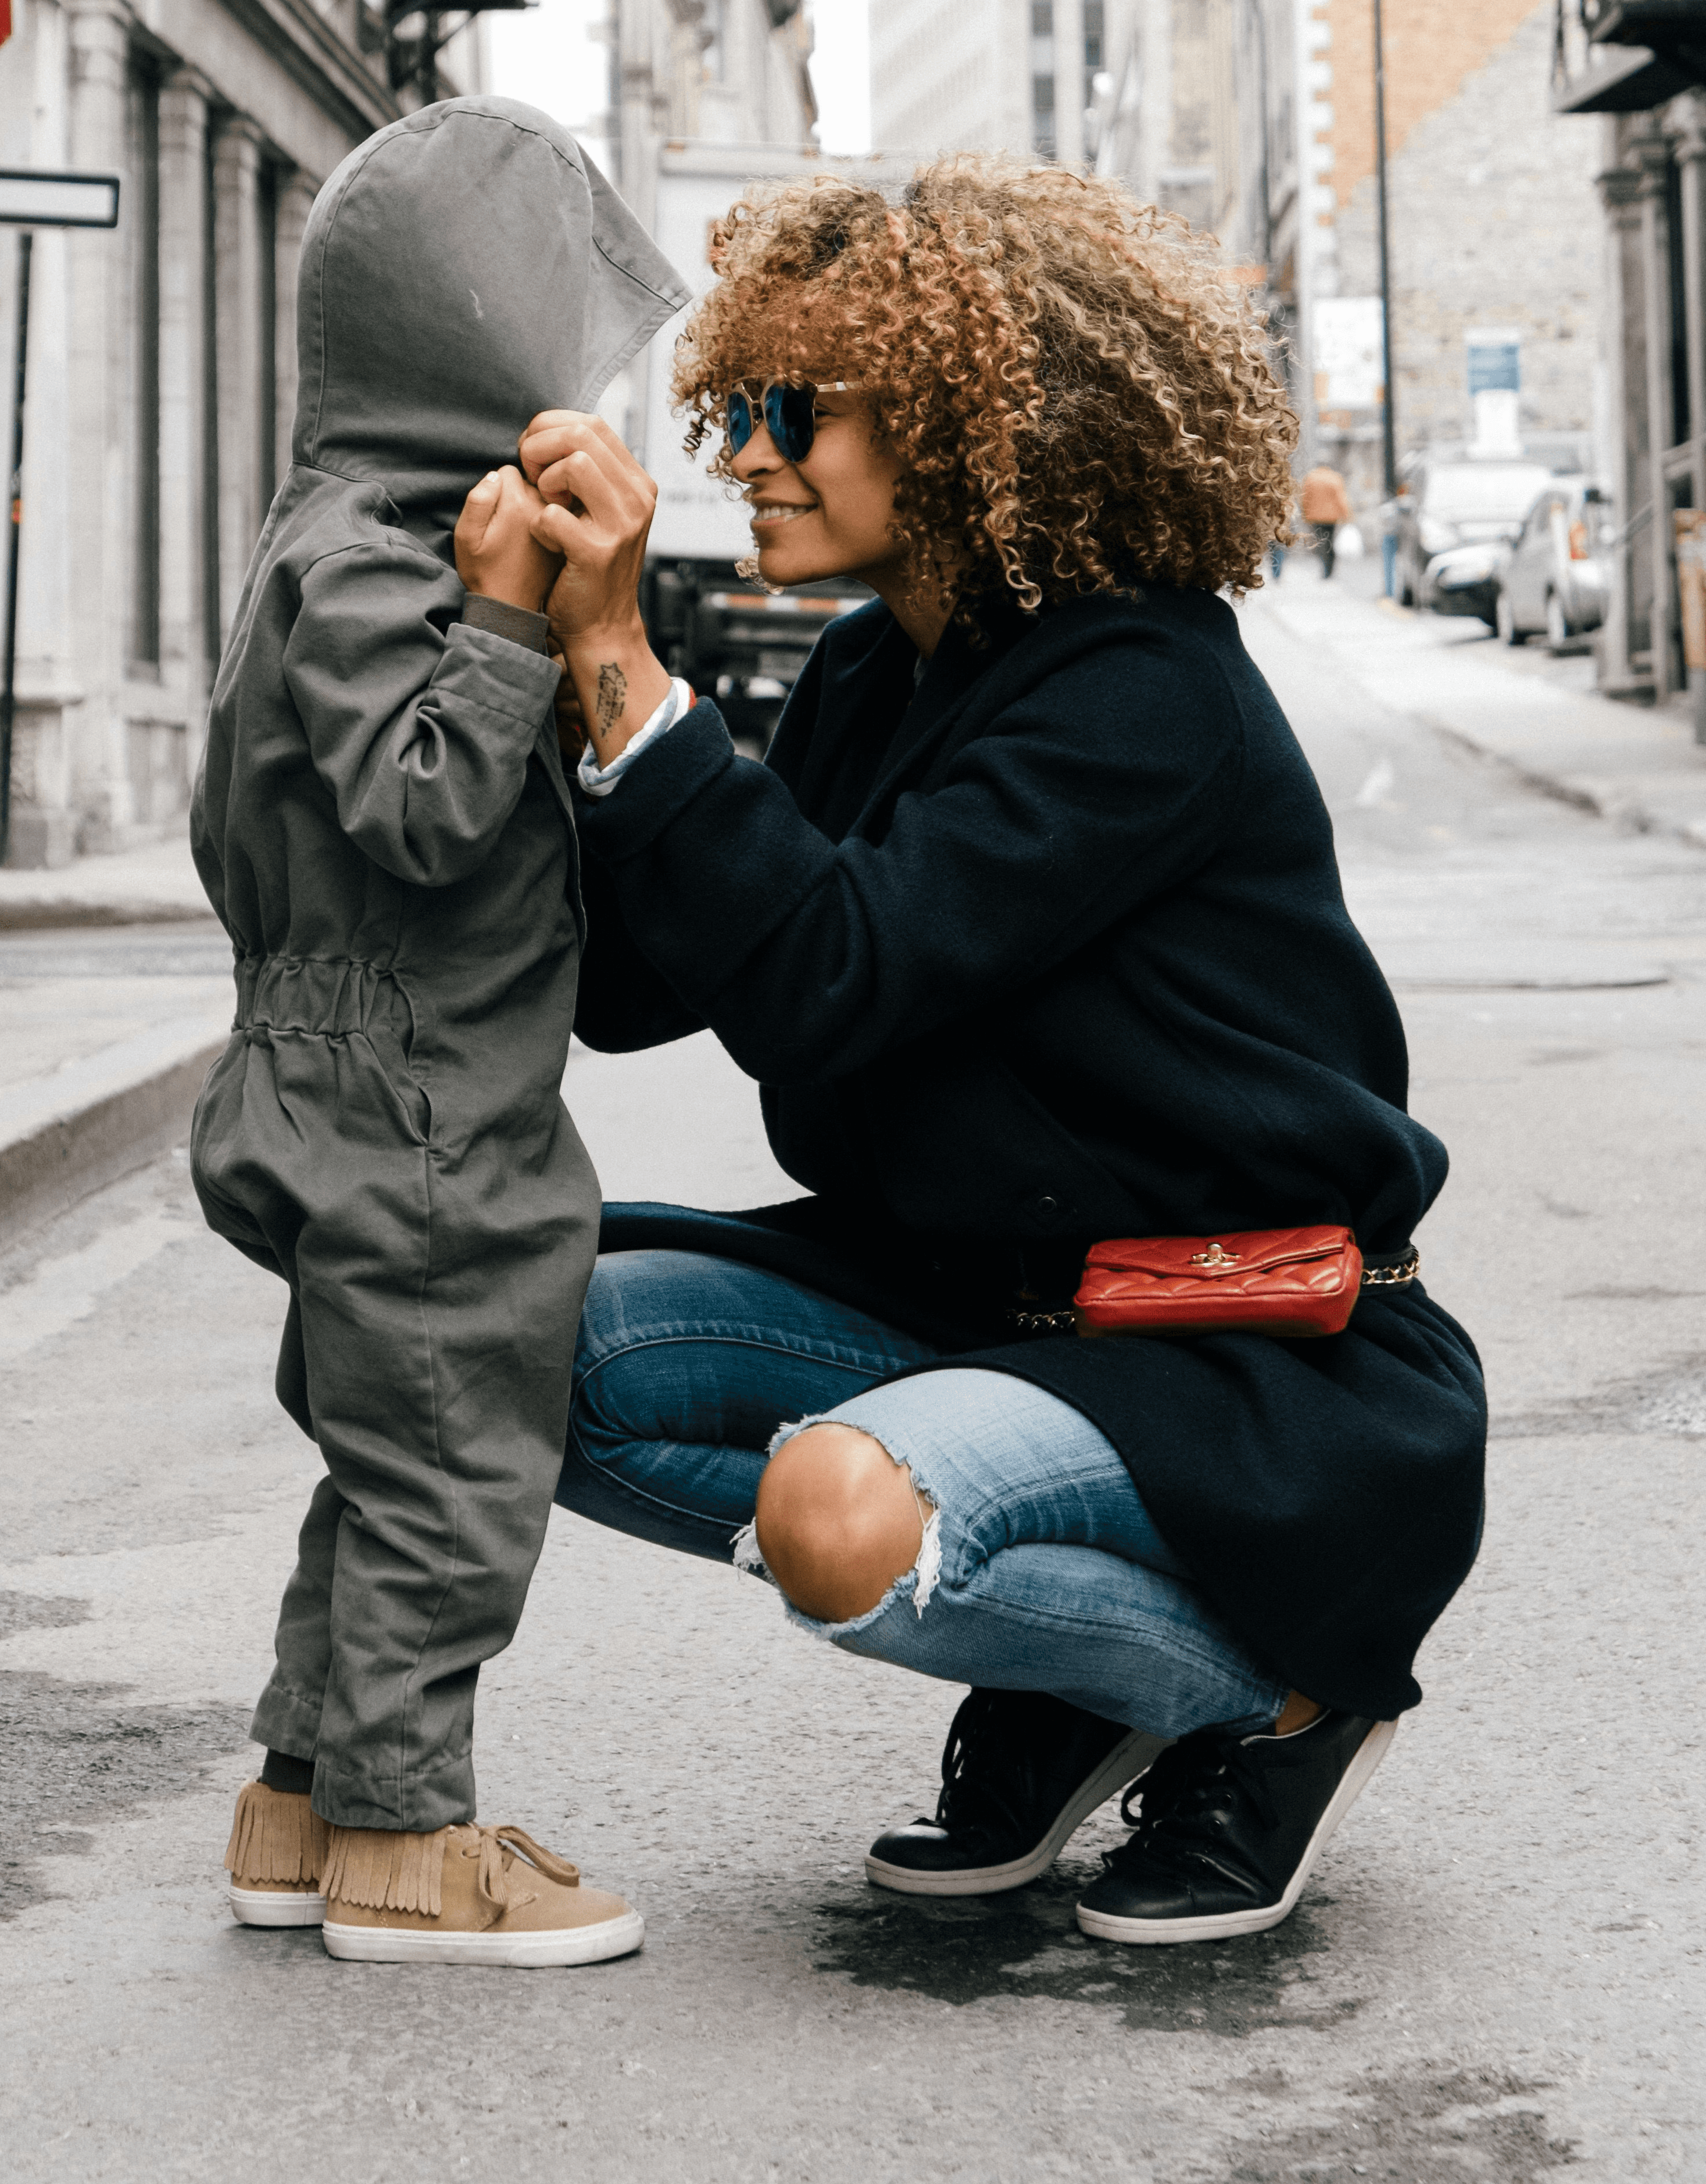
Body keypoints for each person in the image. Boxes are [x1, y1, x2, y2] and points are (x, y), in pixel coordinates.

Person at [528, 156, 1485, 1945]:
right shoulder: (868, 678)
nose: (743, 452)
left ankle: (1264, 1693)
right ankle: (1077, 1666)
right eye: (735, 404)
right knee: (505, 1349)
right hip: (970, 1303)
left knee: (840, 1520)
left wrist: (626, 668)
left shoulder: (1138, 689)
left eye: (794, 411)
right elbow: (638, 985)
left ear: (975, 420)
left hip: (1238, 1354)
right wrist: (546, 662)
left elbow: (829, 972)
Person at [189, 96, 685, 1966]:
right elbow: (417, 809)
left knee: (382, 1459)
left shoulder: (326, 536)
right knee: (459, 1472)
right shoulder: (390, 560)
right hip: (418, 1109)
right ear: (471, 338)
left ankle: (302, 1800)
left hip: (345, 1073)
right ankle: (408, 1841)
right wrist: (503, 628)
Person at [1300, 463, 1352, 579]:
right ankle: (1329, 569)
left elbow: (1305, 498)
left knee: (1320, 541)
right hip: (1331, 517)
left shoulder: (1311, 478)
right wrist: (1346, 514)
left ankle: (1324, 566)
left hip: (1315, 516)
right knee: (1330, 541)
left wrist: (1305, 514)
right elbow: (1341, 498)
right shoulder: (1334, 478)